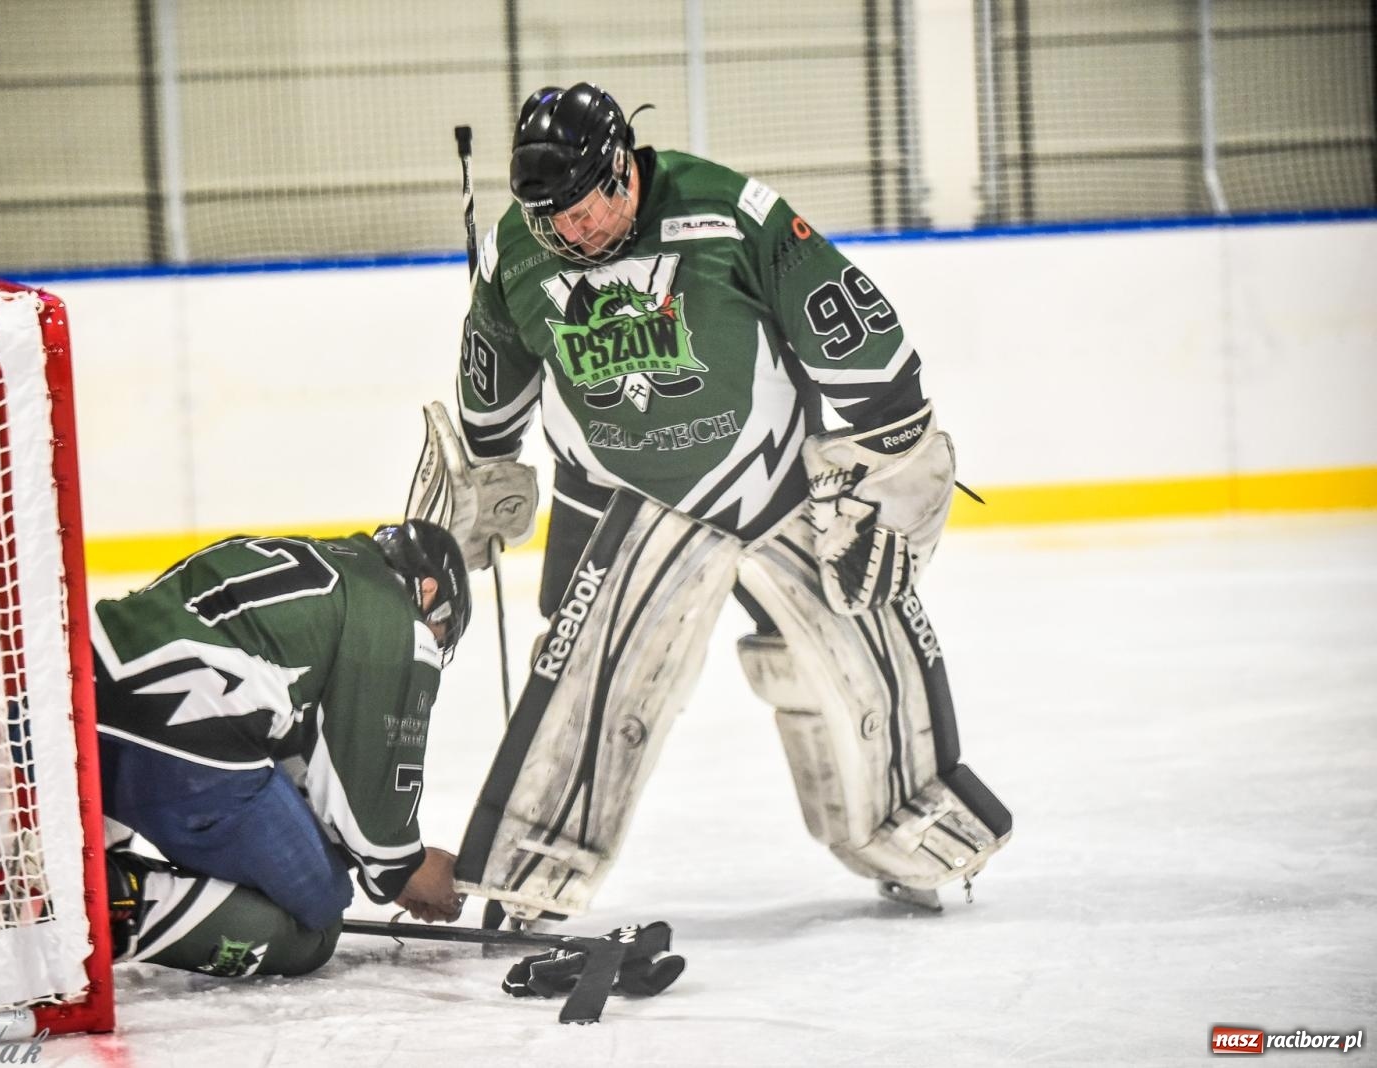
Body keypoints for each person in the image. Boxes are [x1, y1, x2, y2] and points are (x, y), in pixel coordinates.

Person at [411, 82, 1013, 924]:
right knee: (592, 682)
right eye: (558, 220)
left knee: (863, 649)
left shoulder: (731, 211)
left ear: (625, 163)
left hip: (776, 481)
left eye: (592, 207)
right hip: (627, 498)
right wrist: (481, 472)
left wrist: (894, 470)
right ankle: (528, 877)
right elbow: (491, 386)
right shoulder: (518, 249)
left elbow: (862, 344)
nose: (577, 231)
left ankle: (912, 834)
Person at [88, 520, 471, 977]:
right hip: (182, 745)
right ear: (427, 592)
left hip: (75, 706)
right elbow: (366, 799)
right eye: (442, 627)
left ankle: (89, 856)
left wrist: (376, 865)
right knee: (315, 919)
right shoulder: (395, 617)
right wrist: (407, 868)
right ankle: (117, 902)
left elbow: (300, 758)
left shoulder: (304, 559)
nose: (435, 638)